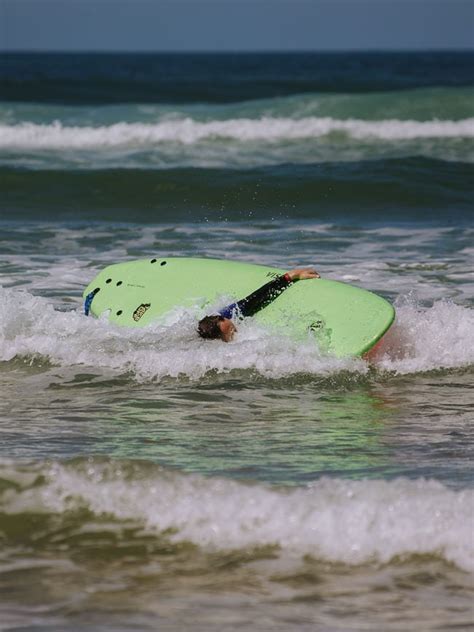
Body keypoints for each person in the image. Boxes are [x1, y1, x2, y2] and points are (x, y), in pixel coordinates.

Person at [197, 268, 319, 342]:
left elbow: (257, 297)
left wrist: (290, 277)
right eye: (230, 333)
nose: (235, 330)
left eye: (231, 327)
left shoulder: (231, 313)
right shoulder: (209, 337)